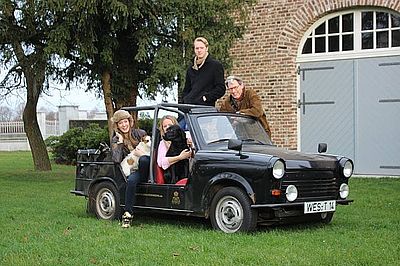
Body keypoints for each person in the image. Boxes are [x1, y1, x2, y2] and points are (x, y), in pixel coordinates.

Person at [110, 109, 150, 228]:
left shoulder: (140, 133)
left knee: (143, 159)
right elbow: (116, 159)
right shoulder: (116, 139)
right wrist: (121, 143)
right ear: (117, 125)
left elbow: (152, 149)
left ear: (130, 121)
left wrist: (141, 154)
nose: (124, 125)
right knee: (131, 181)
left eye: (125, 121)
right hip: (133, 170)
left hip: (146, 167)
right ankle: (127, 214)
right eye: (120, 123)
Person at [182, 37, 225, 106]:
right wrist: (185, 100)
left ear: (206, 48)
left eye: (201, 48)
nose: (199, 50)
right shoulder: (190, 68)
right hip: (189, 107)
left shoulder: (215, 66)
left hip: (205, 109)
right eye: (197, 48)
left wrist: (206, 98)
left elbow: (221, 88)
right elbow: (186, 89)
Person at [157, 115, 192, 183]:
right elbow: (161, 163)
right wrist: (180, 157)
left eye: (170, 125)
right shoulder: (162, 143)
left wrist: (191, 145)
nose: (167, 128)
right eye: (165, 126)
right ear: (162, 129)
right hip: (172, 176)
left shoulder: (187, 136)